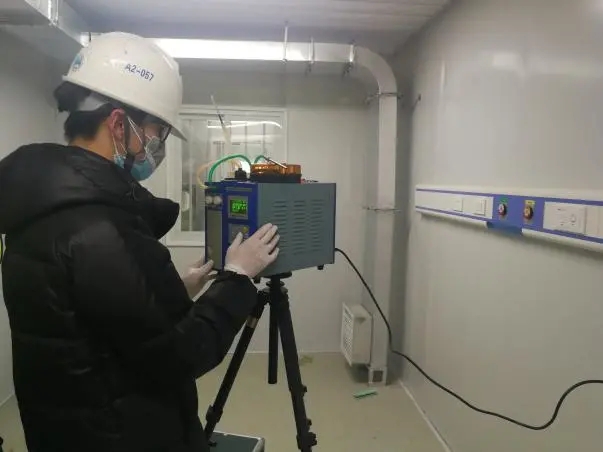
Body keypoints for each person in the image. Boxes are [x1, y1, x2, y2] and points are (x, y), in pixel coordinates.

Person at [0, 32, 279, 452]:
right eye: (158, 132)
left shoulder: (35, 211)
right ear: (118, 124)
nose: (158, 147)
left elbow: (94, 321)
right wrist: (238, 278)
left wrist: (170, 291)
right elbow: (182, 355)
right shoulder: (103, 229)